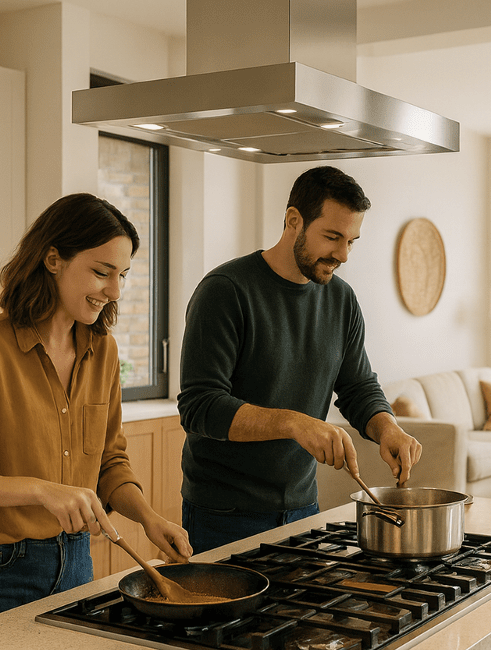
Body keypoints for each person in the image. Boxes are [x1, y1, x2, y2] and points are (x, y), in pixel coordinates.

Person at [0, 193, 192, 633]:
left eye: (121, 275)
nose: (115, 291)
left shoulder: (102, 352)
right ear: (53, 259)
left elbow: (109, 463)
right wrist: (42, 491)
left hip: (75, 567)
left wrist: (148, 517)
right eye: (102, 272)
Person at [177, 166, 422, 554]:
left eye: (352, 241)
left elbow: (358, 387)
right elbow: (199, 407)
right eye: (332, 237)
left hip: (304, 506)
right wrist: (293, 423)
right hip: (224, 515)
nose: (342, 254)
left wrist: (387, 428)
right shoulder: (225, 291)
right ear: (294, 221)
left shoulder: (341, 300)